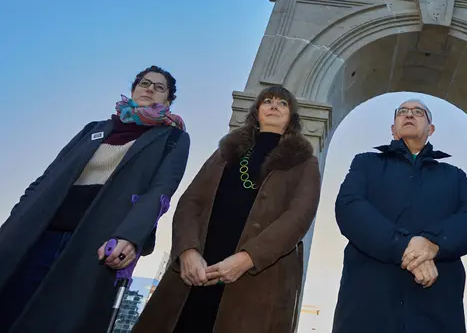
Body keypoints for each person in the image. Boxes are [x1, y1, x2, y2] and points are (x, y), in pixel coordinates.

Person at [0, 65, 190, 332]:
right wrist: (15, 220)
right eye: (145, 83)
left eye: (159, 87)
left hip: (97, 243)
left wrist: (131, 236)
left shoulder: (173, 138)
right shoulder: (94, 129)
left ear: (168, 100)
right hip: (38, 233)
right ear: (133, 89)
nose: (150, 89)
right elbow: (47, 178)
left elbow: (160, 190)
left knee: (58, 319)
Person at [134, 85, 321, 333]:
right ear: (256, 111)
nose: (274, 106)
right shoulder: (225, 152)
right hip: (197, 270)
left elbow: (299, 217)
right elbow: (191, 202)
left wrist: (248, 258)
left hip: (259, 279)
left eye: (282, 103)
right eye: (267, 101)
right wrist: (187, 251)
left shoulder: (305, 162)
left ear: (291, 117)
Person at [331, 99, 467, 333]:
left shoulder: (454, 175)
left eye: (418, 112)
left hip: (436, 304)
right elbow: (349, 206)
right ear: (393, 128)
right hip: (369, 300)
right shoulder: (366, 162)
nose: (409, 115)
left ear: (431, 129)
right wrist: (403, 246)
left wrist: (433, 244)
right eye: (402, 112)